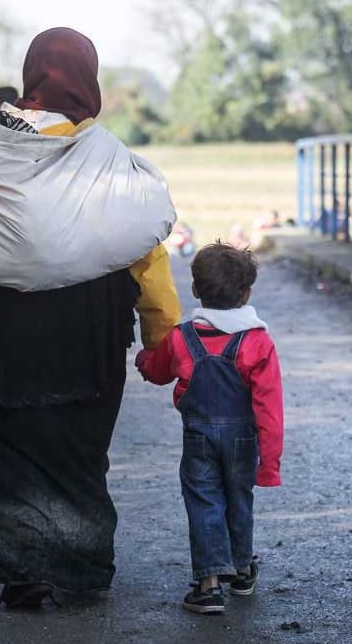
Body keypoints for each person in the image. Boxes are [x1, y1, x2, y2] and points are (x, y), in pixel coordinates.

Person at [0, 27, 180, 608]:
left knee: (4, 449)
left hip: (2, 335)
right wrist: (162, 335)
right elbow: (146, 256)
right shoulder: (109, 160)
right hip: (85, 336)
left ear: (31, 76)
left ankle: (19, 575)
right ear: (88, 79)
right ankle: (80, 567)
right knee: (76, 451)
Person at [135, 243, 283, 615]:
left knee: (204, 502)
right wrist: (270, 462)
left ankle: (209, 585)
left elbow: (157, 371)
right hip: (243, 438)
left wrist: (143, 359)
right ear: (247, 293)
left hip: (198, 436)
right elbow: (269, 407)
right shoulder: (258, 342)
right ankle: (243, 568)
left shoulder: (182, 338)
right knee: (239, 499)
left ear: (196, 289)